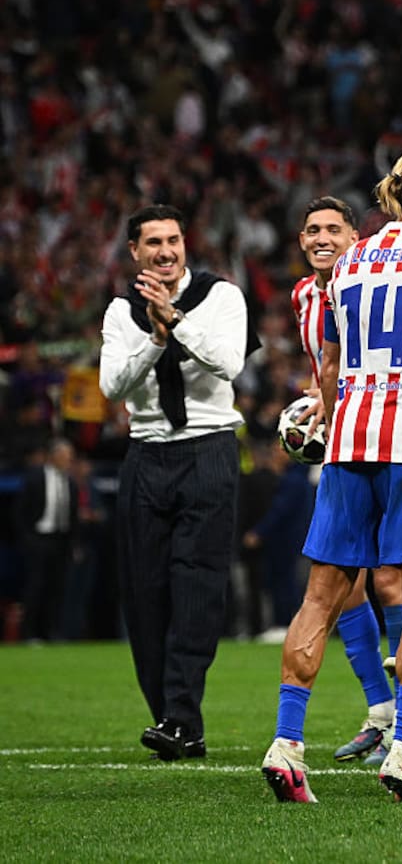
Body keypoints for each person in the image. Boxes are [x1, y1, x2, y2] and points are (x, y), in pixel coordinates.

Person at [261, 143, 402, 804]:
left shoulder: (351, 260)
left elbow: (328, 370)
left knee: (321, 596)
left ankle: (286, 742)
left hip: (349, 446)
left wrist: (334, 419)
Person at [99, 203, 255, 760]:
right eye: (153, 243)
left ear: (185, 244)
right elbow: (113, 385)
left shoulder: (221, 296)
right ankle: (171, 715)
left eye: (173, 240)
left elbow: (230, 364)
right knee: (143, 594)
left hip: (209, 451)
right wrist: (156, 338)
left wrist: (178, 321)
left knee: (197, 584)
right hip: (145, 456)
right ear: (135, 252)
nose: (165, 251)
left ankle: (182, 717)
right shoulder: (121, 311)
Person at [290, 196, 401, 767]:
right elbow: (326, 367)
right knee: (345, 585)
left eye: (334, 227)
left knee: (389, 579)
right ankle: (380, 713)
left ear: (357, 237)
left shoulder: (376, 281)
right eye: (312, 229)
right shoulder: (304, 297)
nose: (322, 236)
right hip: (341, 444)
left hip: (388, 440)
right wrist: (318, 403)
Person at [16, 438, 78, 641]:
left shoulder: (70, 482)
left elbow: (73, 516)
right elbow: (19, 512)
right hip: (38, 539)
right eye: (65, 456)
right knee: (35, 587)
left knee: (57, 589)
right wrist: (27, 539)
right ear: (53, 456)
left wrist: (72, 545)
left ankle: (51, 633)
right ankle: (29, 634)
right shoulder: (35, 478)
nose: (69, 460)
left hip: (60, 541)